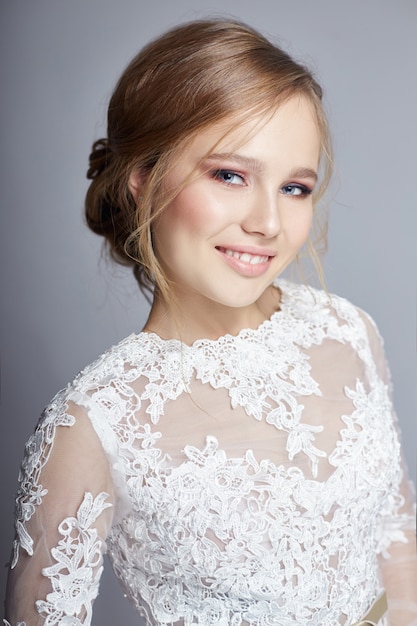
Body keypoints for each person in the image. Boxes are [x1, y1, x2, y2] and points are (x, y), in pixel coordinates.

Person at [3, 18, 416, 626]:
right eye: (230, 175)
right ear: (142, 179)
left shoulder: (349, 333)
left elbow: (398, 546)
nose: (268, 222)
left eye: (296, 187)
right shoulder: (94, 423)